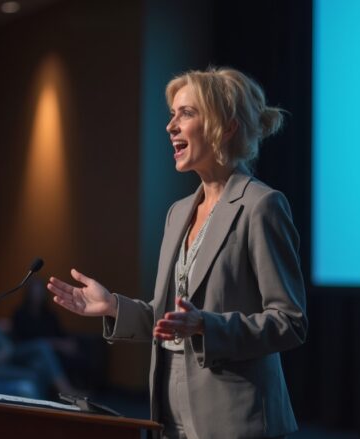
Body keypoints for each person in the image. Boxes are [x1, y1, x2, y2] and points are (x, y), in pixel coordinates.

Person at [48, 67, 307, 438]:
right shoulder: (177, 212)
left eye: (186, 113)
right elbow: (168, 319)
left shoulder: (261, 206)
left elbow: (290, 321)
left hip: (236, 419)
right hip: (170, 414)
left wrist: (207, 325)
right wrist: (113, 307)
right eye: (172, 114)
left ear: (226, 126)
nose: (171, 126)